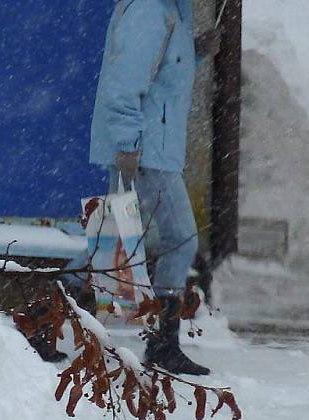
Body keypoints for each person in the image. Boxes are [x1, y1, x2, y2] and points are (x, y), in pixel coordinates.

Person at [84, 0, 221, 375]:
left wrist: (195, 53)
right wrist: (128, 144)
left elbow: (163, 76)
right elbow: (123, 84)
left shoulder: (172, 11)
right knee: (177, 240)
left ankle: (44, 314)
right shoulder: (149, 9)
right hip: (145, 151)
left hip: (153, 148)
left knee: (117, 241)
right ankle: (162, 344)